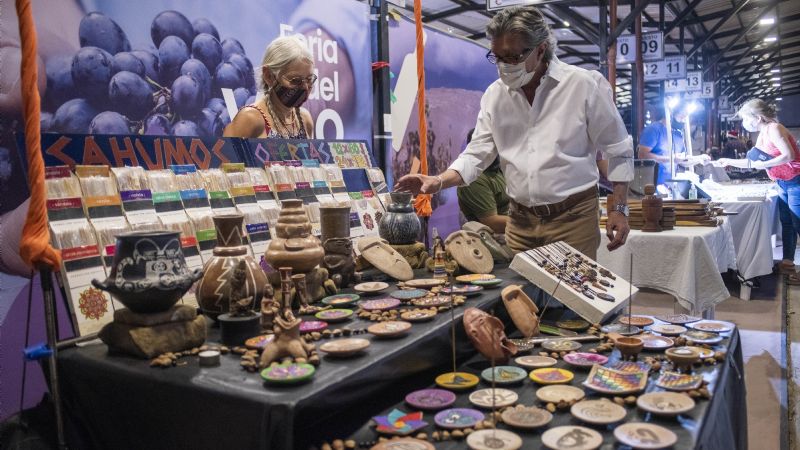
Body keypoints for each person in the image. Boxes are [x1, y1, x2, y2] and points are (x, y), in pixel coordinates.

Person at [394, 6, 633, 259]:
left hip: (573, 220)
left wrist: (619, 209)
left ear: (540, 49)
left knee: (573, 285)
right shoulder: (495, 95)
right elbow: (476, 155)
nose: (504, 66)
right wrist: (438, 181)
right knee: (517, 284)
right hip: (519, 223)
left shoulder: (583, 86)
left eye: (512, 57)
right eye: (497, 57)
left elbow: (617, 149)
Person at [713, 99, 800, 280]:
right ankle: (788, 263)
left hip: (795, 181)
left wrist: (765, 164)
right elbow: (752, 162)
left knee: (797, 222)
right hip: (783, 182)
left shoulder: (774, 129)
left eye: (746, 119)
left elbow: (789, 155)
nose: (745, 123)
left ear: (758, 118)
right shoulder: (763, 134)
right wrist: (728, 161)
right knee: (787, 223)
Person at [224, 36, 315, 139]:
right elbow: (221, 149)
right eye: (295, 81)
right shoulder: (250, 119)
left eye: (309, 79)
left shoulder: (304, 120)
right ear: (269, 76)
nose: (305, 88)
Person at [457, 129, 510, 234]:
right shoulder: (473, 179)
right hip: (497, 236)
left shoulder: (496, 169)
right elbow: (493, 223)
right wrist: (528, 223)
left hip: (513, 228)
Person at [638, 104, 688, 185]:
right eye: (681, 117)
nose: (683, 121)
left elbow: (681, 160)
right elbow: (642, 155)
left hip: (672, 183)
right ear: (671, 114)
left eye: (684, 118)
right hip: (652, 183)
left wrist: (698, 159)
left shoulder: (678, 134)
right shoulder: (653, 130)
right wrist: (671, 159)